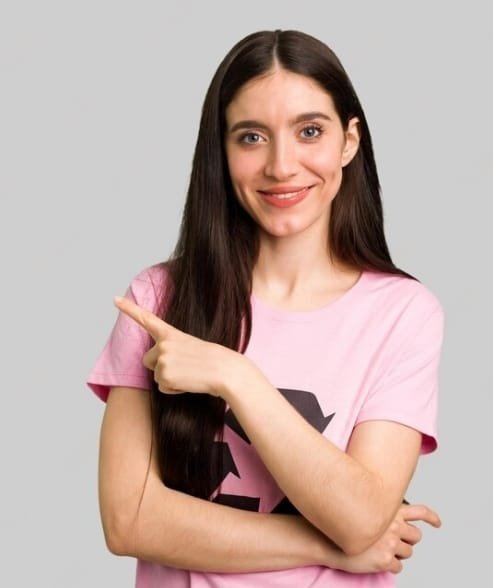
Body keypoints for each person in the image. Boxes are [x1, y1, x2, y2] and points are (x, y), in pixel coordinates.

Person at [87, 29, 445, 587]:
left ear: (349, 141)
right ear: (222, 152)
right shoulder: (158, 300)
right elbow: (127, 519)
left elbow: (359, 515)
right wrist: (333, 547)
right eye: (251, 137)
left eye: (309, 132)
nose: (282, 166)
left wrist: (237, 377)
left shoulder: (403, 314)